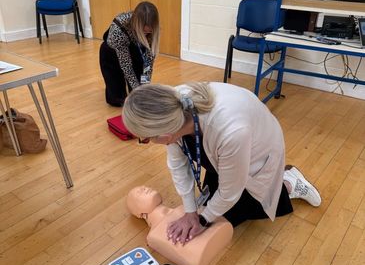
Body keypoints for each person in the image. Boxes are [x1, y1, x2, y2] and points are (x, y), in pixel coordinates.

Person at [122, 82, 322, 245]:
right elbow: (178, 165)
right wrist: (191, 211)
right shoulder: (174, 108)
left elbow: (230, 191)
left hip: (258, 149)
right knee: (212, 206)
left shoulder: (230, 131)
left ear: (165, 135)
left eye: (146, 139)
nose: (147, 142)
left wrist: (201, 220)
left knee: (240, 211)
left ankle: (289, 183)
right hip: (225, 146)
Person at [126, 185, 233, 265]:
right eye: (139, 192)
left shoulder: (184, 208)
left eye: (144, 187)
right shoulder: (154, 236)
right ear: (139, 213)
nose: (145, 188)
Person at [99, 1, 160, 107]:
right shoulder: (119, 29)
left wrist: (144, 86)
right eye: (144, 31)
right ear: (137, 24)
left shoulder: (152, 29)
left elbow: (148, 63)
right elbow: (126, 66)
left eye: (149, 32)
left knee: (140, 87)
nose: (147, 34)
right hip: (111, 52)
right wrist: (137, 90)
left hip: (134, 47)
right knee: (117, 100)